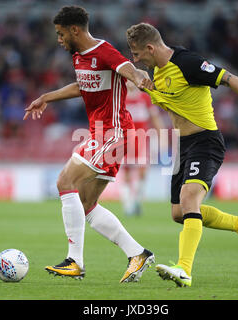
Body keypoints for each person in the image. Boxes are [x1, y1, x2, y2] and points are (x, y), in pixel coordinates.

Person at [126, 23, 238, 287]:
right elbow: (171, 98)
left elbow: (229, 78)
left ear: (150, 48)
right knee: (179, 213)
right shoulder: (156, 70)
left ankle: (184, 269)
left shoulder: (188, 63)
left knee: (189, 198)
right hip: (181, 146)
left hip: (205, 142)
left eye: (137, 53)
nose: (135, 59)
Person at [24, 6, 155, 283]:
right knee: (85, 203)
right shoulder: (78, 56)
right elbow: (82, 87)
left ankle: (75, 261)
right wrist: (48, 96)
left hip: (113, 131)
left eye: (61, 34)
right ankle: (137, 253)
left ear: (75, 30)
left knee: (64, 181)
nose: (58, 39)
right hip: (102, 132)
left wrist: (140, 78)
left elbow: (127, 68)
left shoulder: (103, 51)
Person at [120, 80, 164, 216]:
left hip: (142, 141)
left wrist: (161, 135)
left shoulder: (145, 98)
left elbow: (155, 118)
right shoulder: (120, 98)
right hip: (125, 141)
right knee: (126, 173)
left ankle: (137, 201)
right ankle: (127, 204)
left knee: (143, 172)